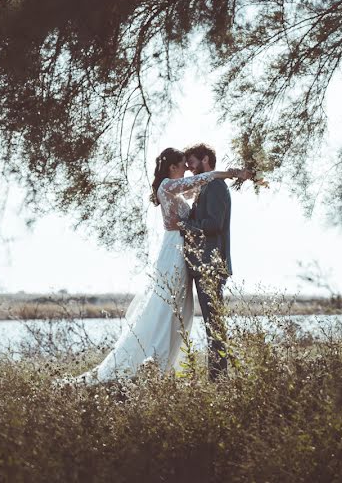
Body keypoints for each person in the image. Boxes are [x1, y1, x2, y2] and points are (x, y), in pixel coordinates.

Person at [73, 147, 250, 382]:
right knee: (165, 308)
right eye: (184, 164)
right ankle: (153, 362)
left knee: (177, 309)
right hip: (175, 252)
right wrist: (230, 173)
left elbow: (202, 200)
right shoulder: (167, 185)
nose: (188, 168)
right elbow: (201, 183)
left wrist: (234, 176)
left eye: (191, 162)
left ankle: (171, 367)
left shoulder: (187, 189)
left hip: (189, 256)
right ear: (172, 167)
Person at [179, 143, 234, 381]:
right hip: (201, 265)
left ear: (206, 160)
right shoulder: (205, 187)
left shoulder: (216, 186)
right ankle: (216, 376)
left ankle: (218, 378)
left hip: (211, 266)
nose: (190, 168)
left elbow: (213, 225)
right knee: (211, 324)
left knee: (214, 324)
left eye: (192, 162)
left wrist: (185, 226)